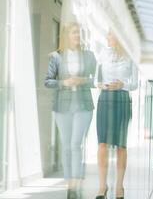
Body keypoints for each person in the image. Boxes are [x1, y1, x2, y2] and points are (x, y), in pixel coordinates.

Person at [45, 22, 96, 199]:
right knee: (67, 145)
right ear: (67, 36)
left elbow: (96, 80)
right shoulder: (56, 57)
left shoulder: (89, 56)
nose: (77, 36)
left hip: (83, 105)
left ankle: (75, 184)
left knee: (76, 144)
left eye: (79, 33)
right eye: (74, 33)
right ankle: (70, 183)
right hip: (62, 105)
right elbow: (48, 81)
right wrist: (64, 83)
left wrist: (82, 80)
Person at [95, 31, 138, 199]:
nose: (107, 38)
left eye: (110, 35)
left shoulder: (130, 56)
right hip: (105, 98)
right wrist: (100, 84)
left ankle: (119, 186)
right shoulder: (103, 54)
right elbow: (95, 78)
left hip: (122, 99)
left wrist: (122, 84)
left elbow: (134, 84)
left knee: (121, 145)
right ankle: (102, 186)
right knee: (102, 144)